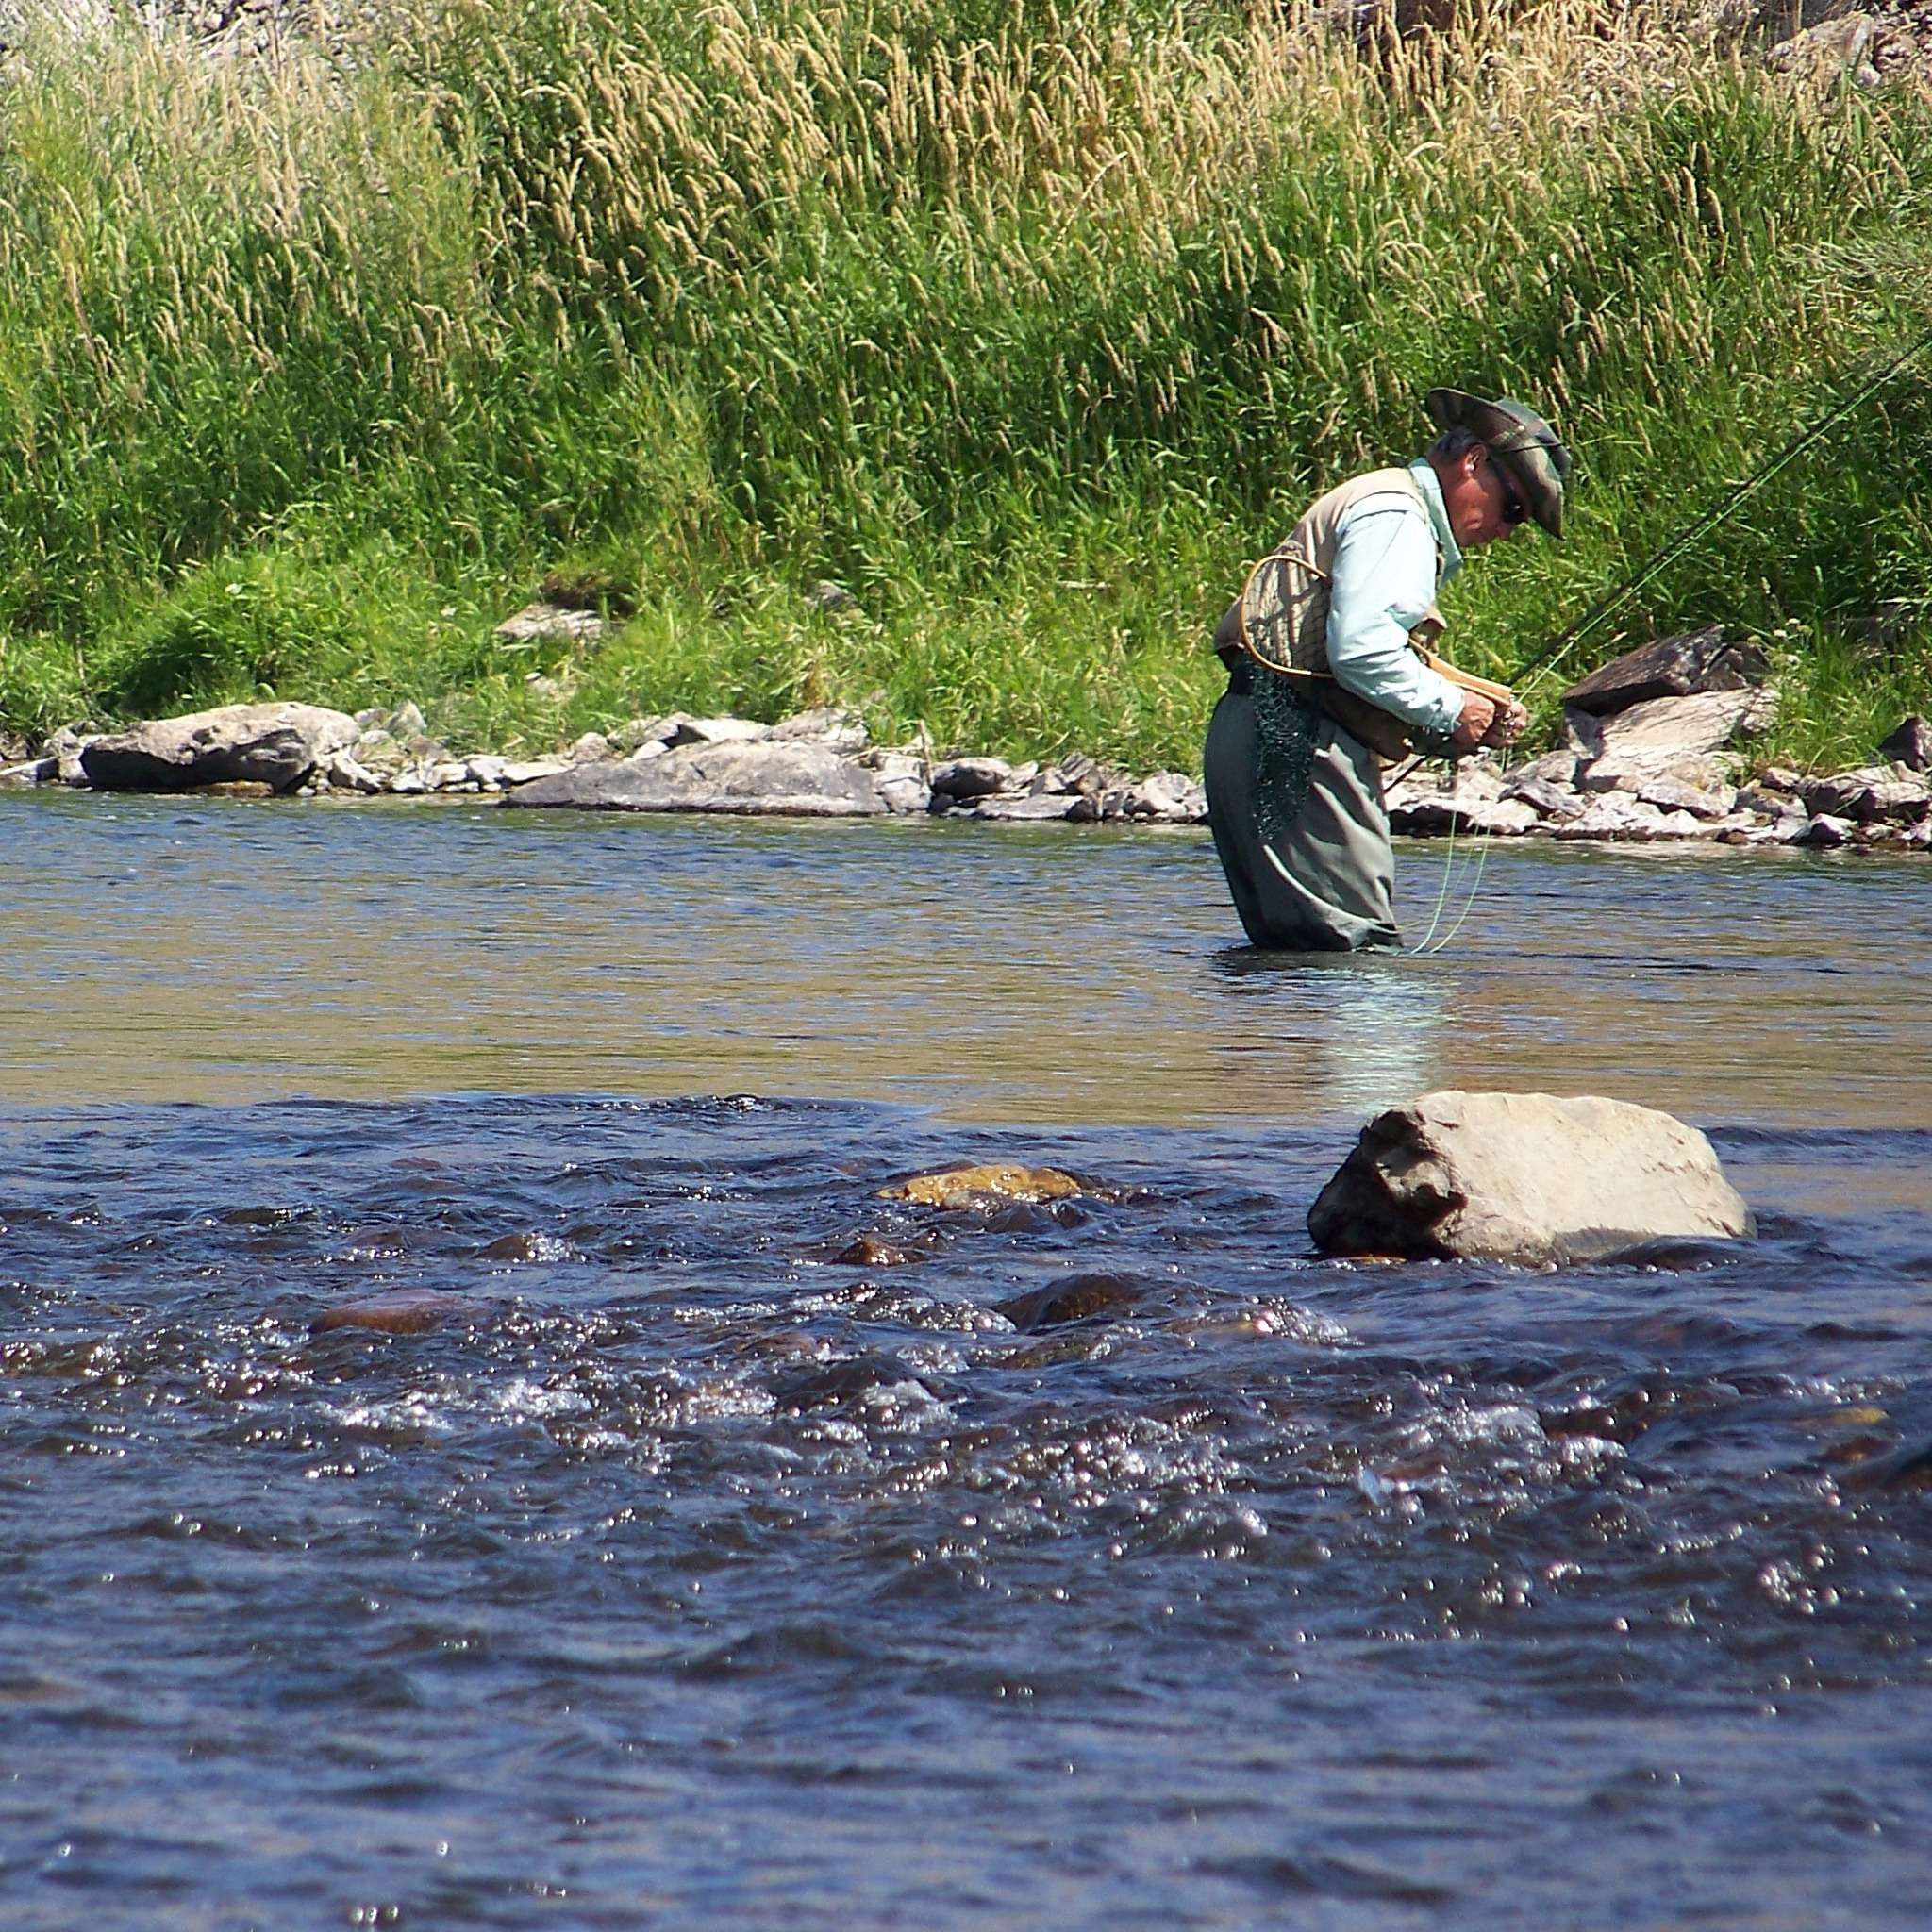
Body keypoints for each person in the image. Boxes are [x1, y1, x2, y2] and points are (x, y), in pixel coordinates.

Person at [1203, 389, 1571, 951]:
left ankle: (1265, 1047)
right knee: (1355, 960)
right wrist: (1452, 708)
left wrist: (1457, 711)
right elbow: (1363, 650)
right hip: (1294, 744)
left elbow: (1347, 651)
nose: (1506, 531)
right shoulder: (1399, 514)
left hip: (1253, 728)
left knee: (1290, 963)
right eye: (1514, 509)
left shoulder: (1381, 499)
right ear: (1474, 463)